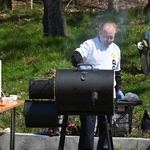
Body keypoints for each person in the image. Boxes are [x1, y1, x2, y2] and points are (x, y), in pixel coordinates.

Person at [71, 22, 124, 150]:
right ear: (100, 33)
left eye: (112, 37)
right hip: (88, 93)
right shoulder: (90, 45)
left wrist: (119, 90)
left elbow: (117, 73)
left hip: (107, 94)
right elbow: (75, 56)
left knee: (106, 127)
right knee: (88, 128)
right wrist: (83, 67)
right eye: (106, 37)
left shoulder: (116, 49)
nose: (109, 40)